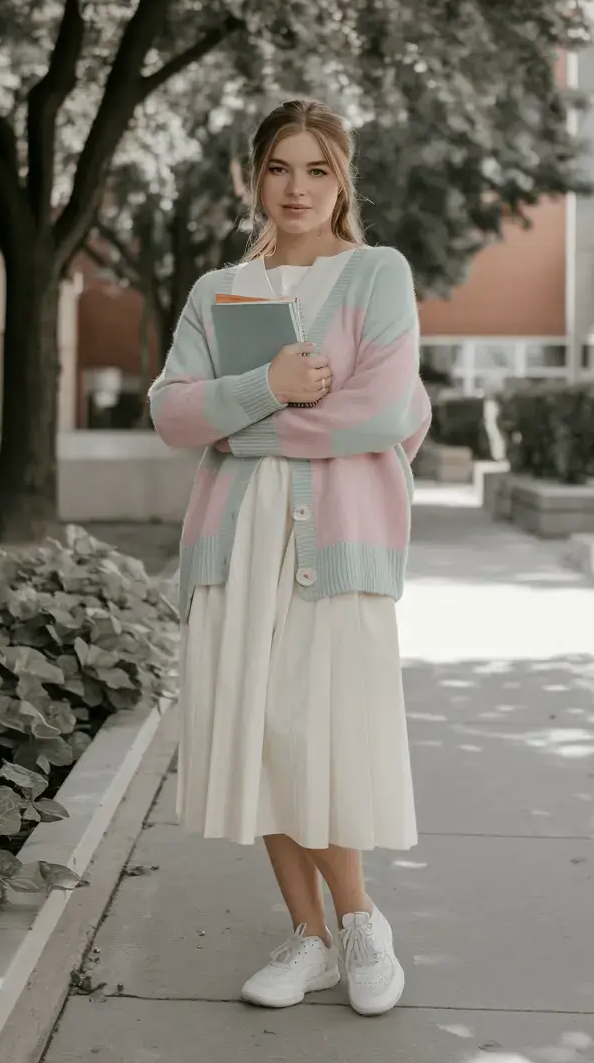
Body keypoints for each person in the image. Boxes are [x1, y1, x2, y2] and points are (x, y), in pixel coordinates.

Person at [148, 98, 431, 1017]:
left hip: (334, 545)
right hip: (236, 543)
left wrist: (248, 429)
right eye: (280, 167)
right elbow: (172, 412)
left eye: (317, 169)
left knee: (319, 734)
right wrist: (263, 386)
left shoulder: (377, 274)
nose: (297, 187)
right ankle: (309, 936)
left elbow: (385, 415)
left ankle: (359, 923)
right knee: (262, 738)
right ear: (254, 177)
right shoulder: (218, 289)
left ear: (342, 178)